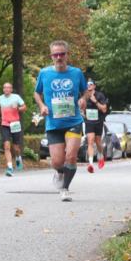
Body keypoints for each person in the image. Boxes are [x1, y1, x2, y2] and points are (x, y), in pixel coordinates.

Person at [33, 40, 88, 202]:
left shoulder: (76, 73)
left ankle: (65, 188)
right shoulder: (44, 73)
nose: (59, 57)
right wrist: (42, 106)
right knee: (57, 162)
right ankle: (59, 172)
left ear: (67, 55)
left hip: (74, 121)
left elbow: (85, 91)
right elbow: (37, 93)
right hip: (54, 123)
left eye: (62, 54)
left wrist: (83, 99)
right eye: (55, 54)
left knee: (71, 156)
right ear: (51, 56)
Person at [0, 83, 27, 176]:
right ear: (3, 89)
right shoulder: (0, 98)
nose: (6, 89)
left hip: (15, 124)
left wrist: (18, 108)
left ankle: (18, 157)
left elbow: (24, 107)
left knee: (16, 148)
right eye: (4, 88)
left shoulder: (16, 97)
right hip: (5, 124)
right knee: (6, 146)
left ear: (11, 89)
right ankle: (10, 167)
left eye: (8, 88)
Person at [83, 79, 109, 173]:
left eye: (90, 84)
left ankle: (101, 155)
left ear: (94, 86)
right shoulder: (84, 96)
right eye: (87, 84)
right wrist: (82, 112)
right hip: (89, 121)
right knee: (90, 141)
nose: (88, 86)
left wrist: (95, 102)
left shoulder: (100, 95)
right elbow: (80, 107)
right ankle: (90, 164)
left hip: (98, 121)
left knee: (98, 142)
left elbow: (104, 110)